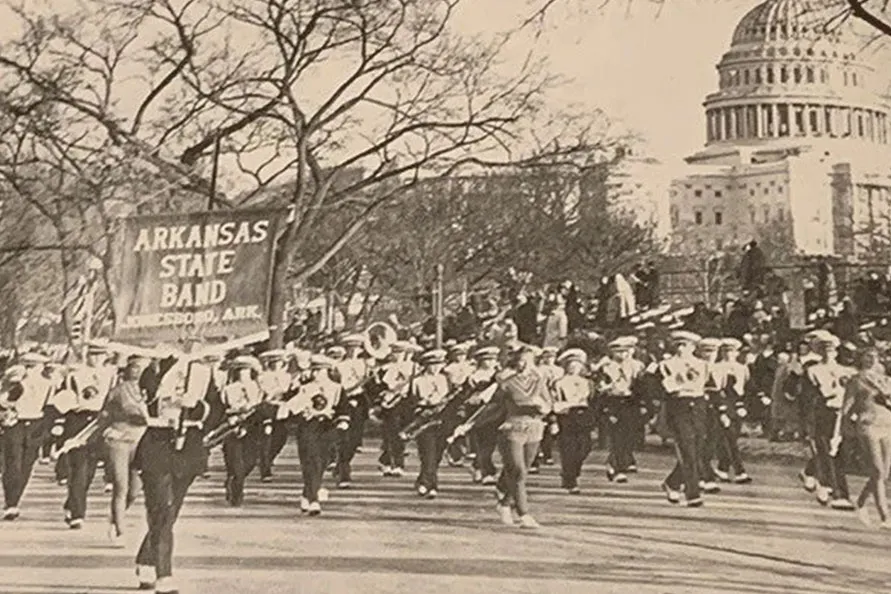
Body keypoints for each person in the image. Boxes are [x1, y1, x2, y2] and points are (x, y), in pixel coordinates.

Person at [133, 352, 221, 594]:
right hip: (158, 441)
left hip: (188, 445)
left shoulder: (202, 371)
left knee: (172, 510)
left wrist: (197, 407)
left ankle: (147, 558)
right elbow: (147, 398)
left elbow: (215, 410)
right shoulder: (155, 368)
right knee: (160, 507)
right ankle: (164, 572)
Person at [456, 343, 550, 528]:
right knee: (518, 470)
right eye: (522, 361)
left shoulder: (540, 382)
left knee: (518, 472)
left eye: (530, 361)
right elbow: (493, 408)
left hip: (534, 428)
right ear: (516, 362)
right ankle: (524, 514)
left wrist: (541, 406)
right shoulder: (507, 384)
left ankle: (505, 503)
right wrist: (469, 425)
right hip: (512, 427)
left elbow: (549, 405)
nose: (526, 365)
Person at [281, 354, 345, 515]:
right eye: (314, 370)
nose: (316, 374)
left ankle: (306, 493)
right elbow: (293, 408)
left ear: (327, 371)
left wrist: (343, 421)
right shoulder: (305, 388)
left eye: (320, 371)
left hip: (327, 427)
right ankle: (314, 499)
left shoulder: (336, 388)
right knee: (310, 461)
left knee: (322, 462)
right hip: (308, 427)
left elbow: (343, 408)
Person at [99, 354, 150, 546]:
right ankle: (120, 530)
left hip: (141, 440)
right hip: (119, 440)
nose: (136, 371)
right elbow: (103, 415)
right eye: (133, 367)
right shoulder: (118, 391)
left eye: (140, 368)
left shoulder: (152, 391)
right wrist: (110, 427)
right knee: (121, 486)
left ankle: (115, 516)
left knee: (135, 490)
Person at [837, 347, 891, 527]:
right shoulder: (856, 380)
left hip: (887, 424)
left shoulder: (886, 380)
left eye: (875, 357)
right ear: (861, 359)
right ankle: (885, 516)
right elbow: (846, 408)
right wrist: (844, 430)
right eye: (868, 356)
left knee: (884, 473)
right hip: (867, 425)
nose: (872, 360)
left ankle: (860, 502)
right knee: (877, 471)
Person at [803, 331, 856, 510]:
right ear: (818, 350)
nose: (829, 352)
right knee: (826, 451)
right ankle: (836, 492)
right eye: (824, 348)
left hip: (843, 414)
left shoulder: (846, 371)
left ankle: (810, 472)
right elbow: (810, 395)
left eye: (832, 348)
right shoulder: (813, 370)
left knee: (840, 452)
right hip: (823, 413)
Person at [659, 331, 709, 507]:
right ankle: (692, 493)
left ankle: (672, 482)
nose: (682, 349)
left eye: (686, 345)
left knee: (698, 448)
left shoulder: (702, 364)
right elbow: (668, 387)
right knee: (687, 449)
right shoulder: (667, 364)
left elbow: (706, 386)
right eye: (679, 345)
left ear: (693, 347)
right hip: (679, 405)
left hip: (698, 405)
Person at [1, 352, 53, 520]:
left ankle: (15, 498)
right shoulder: (13, 383)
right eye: (27, 366)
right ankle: (11, 503)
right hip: (15, 423)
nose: (30, 371)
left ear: (42, 367)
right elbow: (2, 401)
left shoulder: (48, 385)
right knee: (13, 463)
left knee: (27, 464)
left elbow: (49, 407)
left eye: (34, 366)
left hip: (36, 422)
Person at [596, 336, 644, 483]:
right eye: (618, 352)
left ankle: (614, 462)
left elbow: (640, 386)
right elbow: (600, 387)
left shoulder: (636, 366)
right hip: (613, 402)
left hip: (630, 402)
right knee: (617, 435)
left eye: (625, 351)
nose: (622, 355)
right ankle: (618, 469)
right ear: (612, 352)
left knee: (628, 435)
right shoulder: (606, 368)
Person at [220, 356, 263, 507]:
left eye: (247, 370)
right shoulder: (228, 388)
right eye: (240, 370)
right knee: (235, 461)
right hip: (233, 426)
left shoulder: (257, 387)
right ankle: (236, 494)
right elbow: (223, 407)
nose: (244, 373)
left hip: (252, 427)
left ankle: (234, 480)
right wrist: (232, 415)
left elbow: (260, 407)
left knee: (251, 461)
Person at [407, 349, 450, 499]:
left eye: (439, 364)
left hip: (443, 419)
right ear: (426, 365)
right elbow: (410, 401)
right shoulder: (418, 381)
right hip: (424, 418)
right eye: (432, 364)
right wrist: (421, 406)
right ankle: (430, 485)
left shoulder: (445, 379)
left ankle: (423, 480)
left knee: (437, 454)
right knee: (427, 453)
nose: (436, 368)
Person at [552, 348, 594, 493]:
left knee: (585, 447)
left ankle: (572, 472)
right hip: (567, 416)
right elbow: (555, 401)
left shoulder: (588, 383)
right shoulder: (559, 383)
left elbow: (593, 401)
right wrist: (553, 421)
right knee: (569, 449)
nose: (574, 368)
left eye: (577, 365)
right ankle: (570, 480)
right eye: (571, 365)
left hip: (584, 416)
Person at [713, 338, 752, 484]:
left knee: (732, 438)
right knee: (729, 439)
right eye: (726, 351)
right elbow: (717, 391)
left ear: (736, 353)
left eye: (732, 351)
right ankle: (739, 470)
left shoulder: (742, 368)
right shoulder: (716, 368)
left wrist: (743, 406)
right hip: (723, 404)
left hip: (737, 405)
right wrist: (721, 410)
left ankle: (722, 469)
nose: (729, 354)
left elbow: (747, 388)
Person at [333, 334, 370, 488]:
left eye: (356, 348)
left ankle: (342, 463)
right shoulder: (338, 366)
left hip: (359, 401)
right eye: (350, 348)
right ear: (346, 349)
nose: (353, 351)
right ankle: (344, 471)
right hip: (345, 400)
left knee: (355, 439)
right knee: (345, 438)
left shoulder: (365, 364)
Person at [256, 349, 291, 482]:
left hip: (281, 407)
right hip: (267, 407)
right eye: (273, 362)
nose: (276, 364)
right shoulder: (263, 377)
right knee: (266, 437)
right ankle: (265, 470)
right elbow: (263, 393)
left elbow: (286, 392)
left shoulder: (286, 376)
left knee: (281, 436)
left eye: (279, 362)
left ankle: (268, 458)